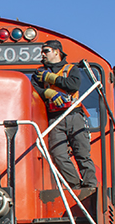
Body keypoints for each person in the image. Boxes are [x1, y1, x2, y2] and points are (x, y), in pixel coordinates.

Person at [31, 40, 97, 198]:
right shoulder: (39, 73)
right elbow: (32, 88)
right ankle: (74, 185)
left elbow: (73, 85)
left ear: (56, 51)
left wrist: (52, 78)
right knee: (57, 154)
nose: (43, 54)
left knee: (82, 152)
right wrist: (48, 93)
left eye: (46, 51)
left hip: (74, 114)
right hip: (54, 118)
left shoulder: (71, 69)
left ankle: (91, 185)